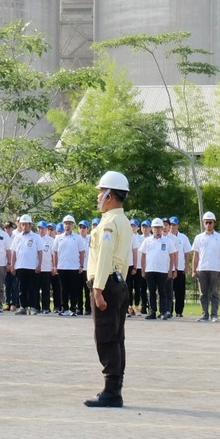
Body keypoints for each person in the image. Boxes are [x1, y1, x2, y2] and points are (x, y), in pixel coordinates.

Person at [86, 170, 133, 407]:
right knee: (116, 338)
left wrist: (98, 289)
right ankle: (114, 388)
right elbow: (124, 259)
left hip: (106, 284)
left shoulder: (110, 223)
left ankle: (111, 391)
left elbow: (105, 256)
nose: (98, 197)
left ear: (110, 196)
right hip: (118, 283)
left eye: (100, 192)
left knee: (106, 338)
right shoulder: (123, 222)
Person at [193, 212, 220, 322]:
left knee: (215, 293)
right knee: (203, 294)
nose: (208, 224)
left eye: (210, 222)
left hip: (215, 268)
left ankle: (214, 314)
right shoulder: (199, 238)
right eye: (206, 222)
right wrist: (194, 270)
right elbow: (196, 255)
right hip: (202, 268)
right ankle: (204, 314)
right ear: (203, 223)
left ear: (214, 223)